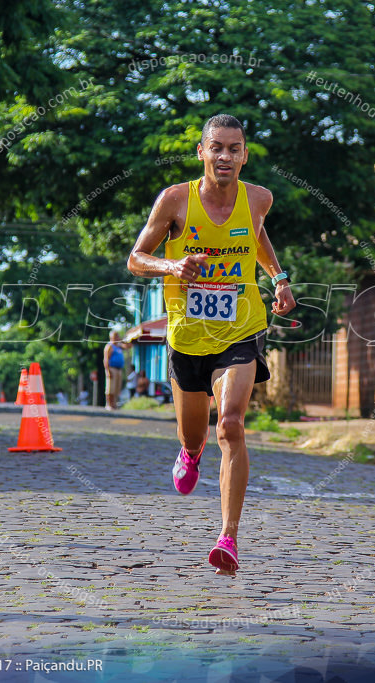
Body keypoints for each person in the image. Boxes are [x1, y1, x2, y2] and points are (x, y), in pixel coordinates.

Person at [127, 113, 295, 575]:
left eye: (234, 148)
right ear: (201, 152)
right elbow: (135, 258)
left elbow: (255, 236)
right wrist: (172, 267)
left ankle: (228, 536)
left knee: (233, 425)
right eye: (216, 147)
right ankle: (190, 453)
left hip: (240, 330)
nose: (225, 156)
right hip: (187, 337)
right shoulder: (175, 200)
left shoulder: (258, 198)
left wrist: (278, 279)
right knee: (195, 434)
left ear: (244, 155)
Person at [103, 331, 128, 410]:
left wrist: (122, 340)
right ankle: (109, 404)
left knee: (117, 388)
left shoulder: (118, 346)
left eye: (118, 336)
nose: (117, 338)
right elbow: (106, 359)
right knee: (110, 388)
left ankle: (114, 404)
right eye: (116, 336)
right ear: (111, 337)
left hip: (119, 369)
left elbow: (128, 346)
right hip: (112, 369)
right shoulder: (109, 346)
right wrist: (107, 371)